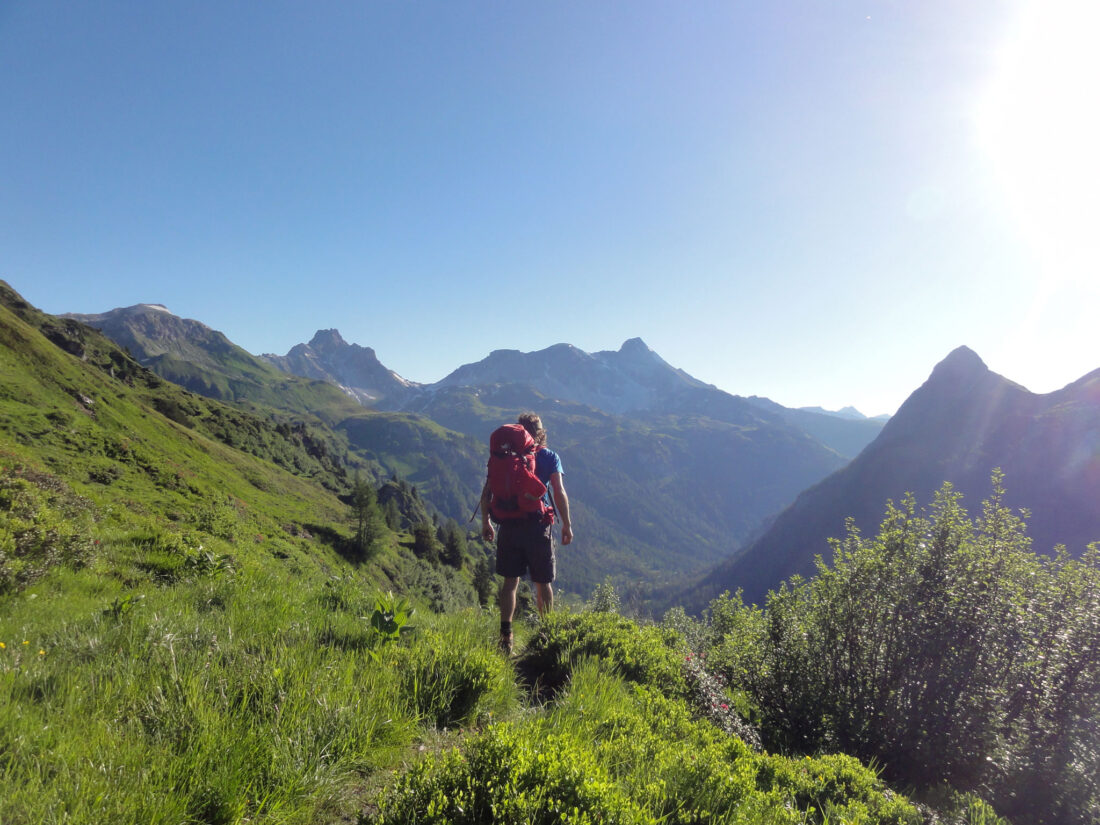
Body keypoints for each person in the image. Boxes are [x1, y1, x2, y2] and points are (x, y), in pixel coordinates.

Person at [481, 411, 573, 653]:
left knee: (510, 583)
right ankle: (547, 635)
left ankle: (506, 637)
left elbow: (487, 493)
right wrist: (567, 524)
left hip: (508, 525)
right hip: (537, 526)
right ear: (540, 433)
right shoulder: (550, 457)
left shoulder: (503, 457)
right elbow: (559, 491)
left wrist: (485, 522)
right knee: (543, 583)